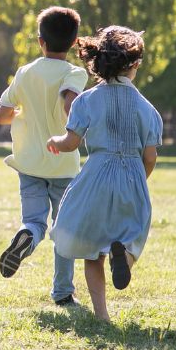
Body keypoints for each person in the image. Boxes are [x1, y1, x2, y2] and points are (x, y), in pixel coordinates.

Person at [47, 25, 162, 321]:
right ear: (134, 64)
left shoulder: (86, 100)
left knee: (91, 249)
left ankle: (102, 316)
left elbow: (71, 143)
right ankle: (123, 257)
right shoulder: (148, 109)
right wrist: (139, 178)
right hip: (133, 176)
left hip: (96, 175)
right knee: (131, 236)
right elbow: (150, 156)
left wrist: (55, 141)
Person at [0, 7, 88, 306]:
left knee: (34, 221)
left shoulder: (25, 72)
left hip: (29, 162)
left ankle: (26, 236)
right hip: (62, 162)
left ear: (40, 42)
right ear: (74, 43)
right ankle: (62, 292)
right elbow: (69, 101)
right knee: (64, 229)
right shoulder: (75, 72)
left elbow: (2, 116)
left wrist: (26, 113)